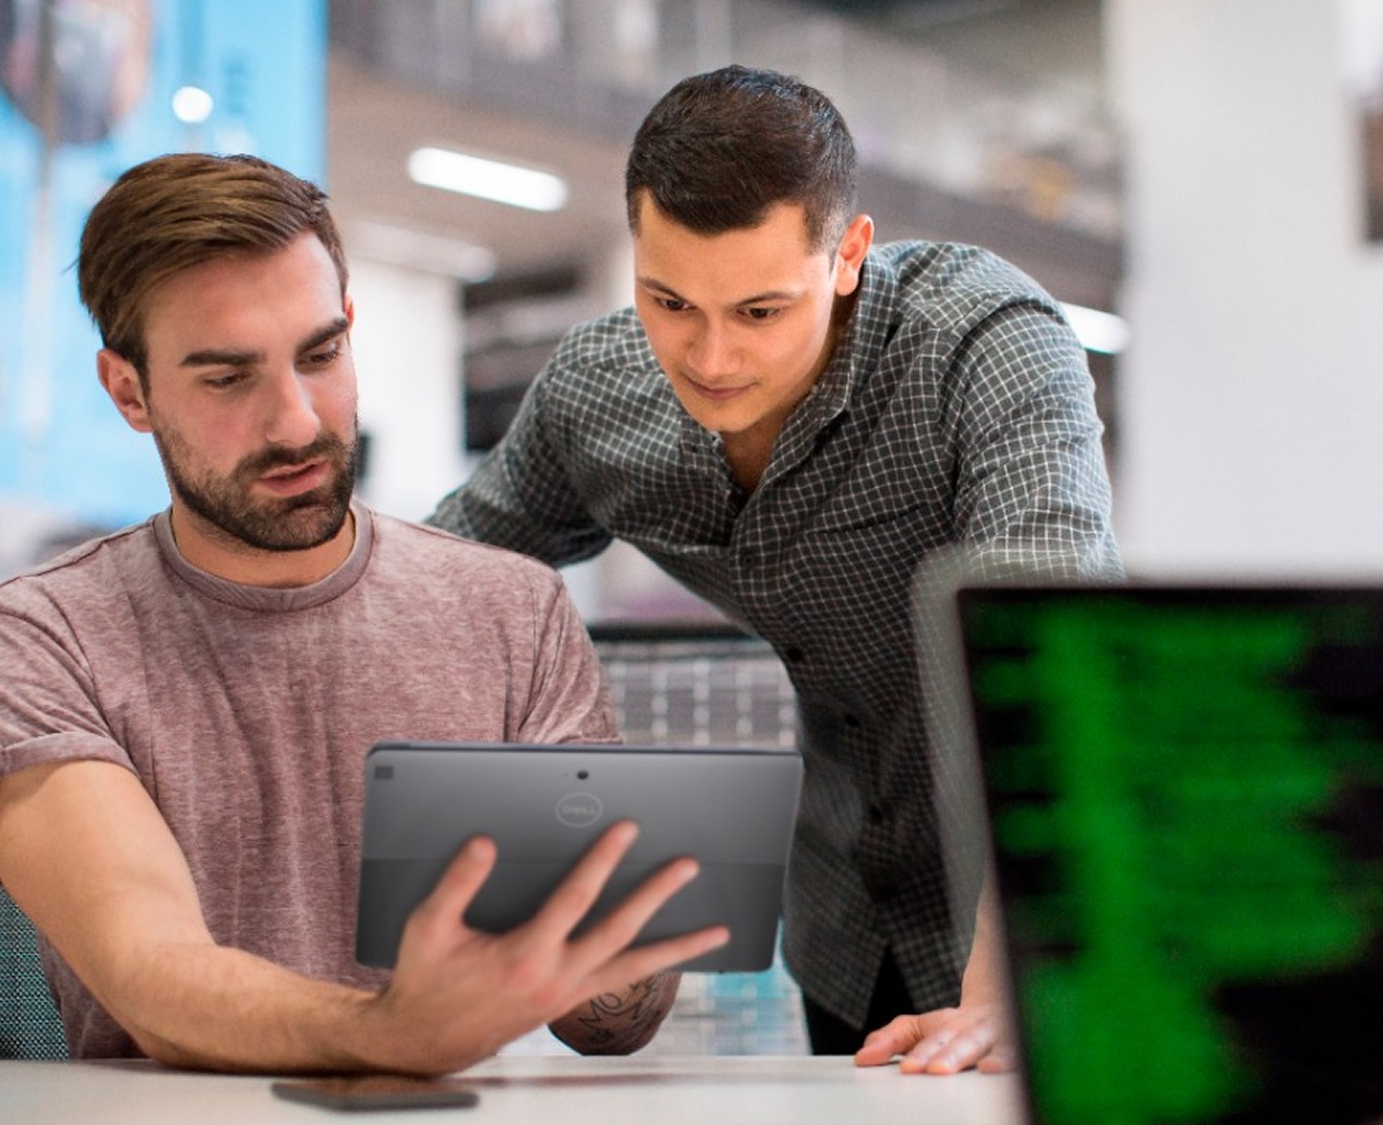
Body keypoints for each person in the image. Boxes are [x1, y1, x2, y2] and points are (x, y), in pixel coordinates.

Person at [0, 153, 727, 1073]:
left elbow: (609, 1026)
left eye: (320, 355)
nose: (297, 422)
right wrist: (391, 1032)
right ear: (129, 391)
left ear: (351, 329)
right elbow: (151, 973)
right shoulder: (41, 637)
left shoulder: (511, 608)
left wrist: (623, 945)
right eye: (228, 378)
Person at [428, 65, 1123, 1073]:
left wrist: (1016, 970)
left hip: (1037, 919)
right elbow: (437, 586)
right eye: (668, 301)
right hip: (846, 930)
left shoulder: (984, 346)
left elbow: (1047, 649)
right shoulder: (596, 395)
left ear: (847, 255)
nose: (709, 357)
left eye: (759, 311)